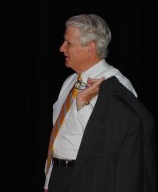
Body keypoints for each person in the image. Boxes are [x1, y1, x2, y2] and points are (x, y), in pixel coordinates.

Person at [44, 14, 157, 192]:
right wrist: (49, 181)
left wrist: (83, 103)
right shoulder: (70, 82)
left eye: (68, 43)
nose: (61, 48)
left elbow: (112, 145)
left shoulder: (117, 85)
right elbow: (60, 137)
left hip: (88, 180)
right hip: (59, 177)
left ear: (90, 48)